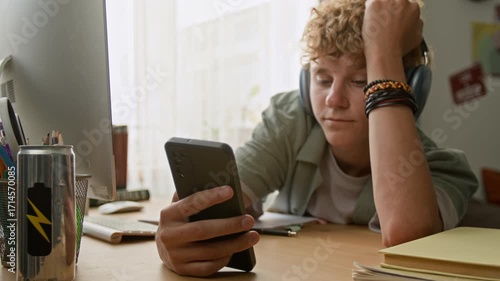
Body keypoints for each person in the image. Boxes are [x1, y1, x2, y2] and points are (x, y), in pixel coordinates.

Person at [155, 0, 478, 277]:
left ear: (407, 88)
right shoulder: (291, 119)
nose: (332, 100)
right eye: (322, 78)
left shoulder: (445, 168)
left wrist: (383, 51)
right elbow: (224, 202)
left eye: (361, 81)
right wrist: (184, 237)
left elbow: (406, 236)